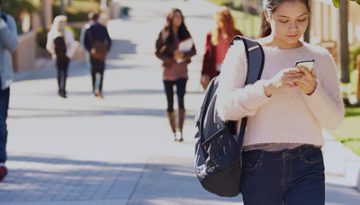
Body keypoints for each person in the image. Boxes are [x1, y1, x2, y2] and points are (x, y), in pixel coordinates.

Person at [216, 0, 344, 204]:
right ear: (267, 15)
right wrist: (268, 87)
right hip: (258, 164)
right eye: (284, 20)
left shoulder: (320, 57)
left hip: (307, 163)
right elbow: (226, 109)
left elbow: (335, 121)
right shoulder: (244, 53)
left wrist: (313, 90)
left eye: (302, 19)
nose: (294, 28)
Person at [155, 8, 196, 142]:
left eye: (180, 17)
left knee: (181, 100)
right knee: (170, 103)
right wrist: (172, 57)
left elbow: (194, 50)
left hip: (182, 72)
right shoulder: (164, 33)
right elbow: (157, 52)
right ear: (171, 18)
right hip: (168, 72)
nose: (179, 19)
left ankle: (180, 131)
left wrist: (184, 55)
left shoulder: (185, 33)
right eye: (176, 17)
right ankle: (173, 130)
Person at [200, 6, 243, 90]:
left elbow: (243, 54)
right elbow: (207, 55)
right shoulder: (211, 35)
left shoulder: (237, 34)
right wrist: (204, 73)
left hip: (232, 71)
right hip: (215, 71)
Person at [0, 0, 18, 182]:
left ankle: (0, 163)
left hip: (2, 83)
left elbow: (13, 45)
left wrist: (2, 26)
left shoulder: (7, 20)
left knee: (0, 123)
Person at [46, 15, 76, 98]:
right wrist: (68, 54)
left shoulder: (52, 33)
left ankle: (60, 89)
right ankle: (63, 89)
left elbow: (49, 46)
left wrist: (54, 53)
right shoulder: (67, 33)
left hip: (59, 56)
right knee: (64, 73)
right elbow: (72, 45)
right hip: (64, 56)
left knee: (59, 72)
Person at [84, 12, 112, 98]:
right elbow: (109, 41)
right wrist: (106, 50)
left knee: (93, 72)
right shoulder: (102, 27)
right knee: (101, 72)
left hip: (92, 54)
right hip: (102, 53)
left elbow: (85, 42)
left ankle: (94, 90)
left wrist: (90, 50)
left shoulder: (88, 28)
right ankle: (99, 89)